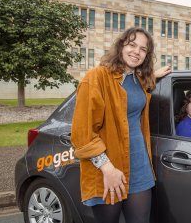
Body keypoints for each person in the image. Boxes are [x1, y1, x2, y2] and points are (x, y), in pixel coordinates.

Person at [71, 26, 171, 223]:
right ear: (120, 46)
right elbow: (82, 134)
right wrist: (108, 169)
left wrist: (155, 75)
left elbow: (141, 89)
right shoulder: (97, 77)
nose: (137, 52)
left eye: (143, 49)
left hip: (139, 166)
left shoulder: (138, 79)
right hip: (108, 168)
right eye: (132, 45)